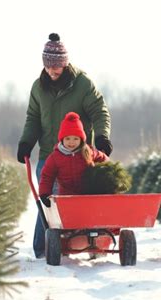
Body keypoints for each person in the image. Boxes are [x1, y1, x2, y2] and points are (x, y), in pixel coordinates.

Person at [17, 33, 113, 258]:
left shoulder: (82, 84)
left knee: (81, 202)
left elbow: (100, 112)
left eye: (57, 67)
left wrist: (101, 139)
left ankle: (90, 243)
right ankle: (43, 250)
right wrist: (26, 142)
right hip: (49, 154)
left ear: (65, 63)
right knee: (46, 201)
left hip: (80, 156)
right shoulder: (38, 87)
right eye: (48, 67)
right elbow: (33, 117)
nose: (52, 71)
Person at [38, 112, 109, 205]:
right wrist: (44, 194)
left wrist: (107, 169)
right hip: (66, 198)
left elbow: (103, 159)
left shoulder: (88, 151)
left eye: (75, 139)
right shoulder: (55, 157)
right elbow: (47, 176)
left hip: (87, 197)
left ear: (81, 140)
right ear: (62, 139)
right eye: (67, 139)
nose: (71, 142)